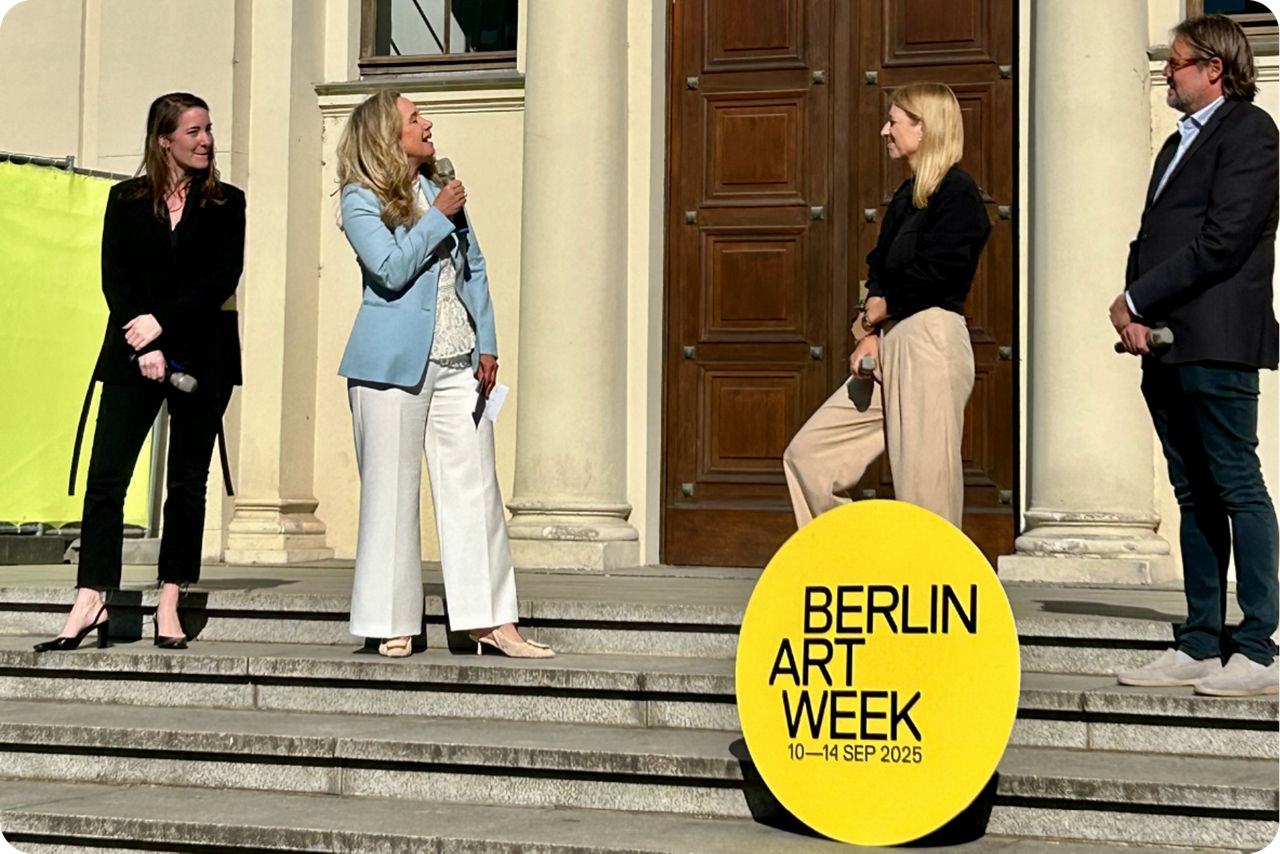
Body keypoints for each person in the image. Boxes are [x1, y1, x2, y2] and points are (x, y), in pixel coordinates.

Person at [334, 91, 551, 659]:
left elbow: (473, 267)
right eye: (414, 118)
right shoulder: (361, 199)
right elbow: (388, 270)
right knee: (391, 492)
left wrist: (489, 342)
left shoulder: (439, 187)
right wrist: (437, 218)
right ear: (387, 134)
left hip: (460, 361)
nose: (427, 124)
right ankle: (391, 621)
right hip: (390, 368)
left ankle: (491, 622)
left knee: (476, 486)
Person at [37, 92, 245, 653]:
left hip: (203, 356)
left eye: (208, 130)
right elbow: (116, 276)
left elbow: (221, 278)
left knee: (185, 481)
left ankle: (171, 598)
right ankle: (91, 595)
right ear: (164, 139)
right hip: (133, 352)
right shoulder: (125, 200)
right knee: (107, 477)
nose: (205, 140)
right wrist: (141, 333)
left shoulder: (228, 202)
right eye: (194, 131)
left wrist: (161, 326)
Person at [1112, 15, 1278, 697]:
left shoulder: (1249, 132)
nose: (1166, 73)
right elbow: (1155, 232)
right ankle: (1201, 640)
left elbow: (1223, 240)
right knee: (1193, 492)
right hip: (1166, 342)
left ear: (1214, 67)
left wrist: (1135, 298)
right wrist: (1134, 310)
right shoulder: (1176, 143)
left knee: (1236, 483)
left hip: (1216, 337)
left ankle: (1261, 646)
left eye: (1176, 63)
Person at [783, 82, 990, 531]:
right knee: (810, 457)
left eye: (894, 121)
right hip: (891, 341)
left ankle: (930, 583)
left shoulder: (958, 194)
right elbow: (878, 267)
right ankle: (861, 559)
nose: (884, 131)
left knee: (925, 489)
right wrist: (870, 330)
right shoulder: (906, 196)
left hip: (929, 340)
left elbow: (944, 273)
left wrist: (885, 307)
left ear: (925, 127)